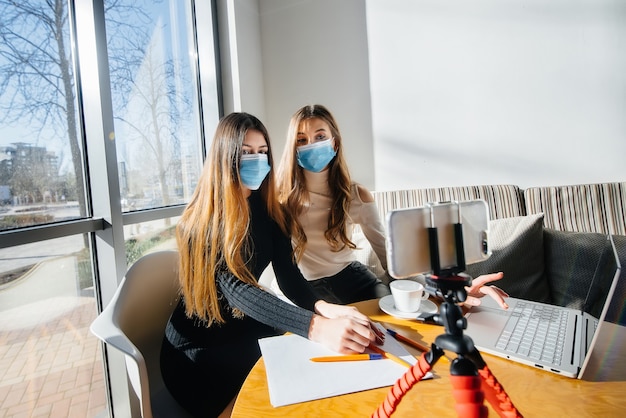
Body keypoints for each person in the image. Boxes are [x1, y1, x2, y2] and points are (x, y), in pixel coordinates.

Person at [160, 112, 383, 418]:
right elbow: (237, 288)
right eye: (246, 152)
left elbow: (290, 278)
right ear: (225, 157)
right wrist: (316, 327)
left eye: (262, 152)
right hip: (200, 348)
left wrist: (325, 308)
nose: (257, 160)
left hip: (244, 327)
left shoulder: (270, 212)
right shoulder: (199, 222)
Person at [276, 104, 510, 308]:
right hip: (304, 285)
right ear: (293, 148)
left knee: (391, 317)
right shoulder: (279, 198)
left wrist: (451, 291)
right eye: (301, 140)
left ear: (334, 143)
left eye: (319, 137)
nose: (311, 145)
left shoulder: (356, 195)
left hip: (352, 279)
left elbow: (391, 257)